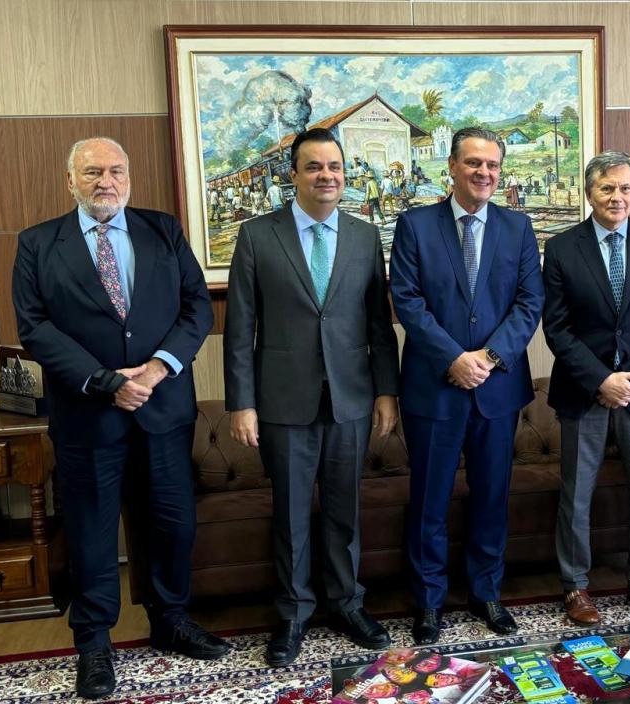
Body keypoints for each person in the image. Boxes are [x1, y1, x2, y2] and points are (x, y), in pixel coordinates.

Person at [11, 137, 224, 699]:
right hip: (87, 416)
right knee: (92, 531)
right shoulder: (37, 244)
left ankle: (170, 621)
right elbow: (34, 328)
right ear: (70, 181)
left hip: (163, 409)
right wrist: (107, 382)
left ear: (129, 177)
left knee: (172, 525)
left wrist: (155, 370)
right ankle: (94, 644)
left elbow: (197, 306)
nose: (105, 181)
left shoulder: (164, 230)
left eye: (115, 170)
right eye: (92, 172)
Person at [224, 127, 400, 663]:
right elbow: (240, 328)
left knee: (345, 511)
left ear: (345, 174)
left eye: (335, 167)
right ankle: (293, 614)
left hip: (351, 397)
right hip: (282, 401)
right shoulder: (257, 235)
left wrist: (386, 393)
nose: (327, 176)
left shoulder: (367, 236)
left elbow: (378, 324)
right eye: (315, 167)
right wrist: (242, 402)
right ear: (294, 175)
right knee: (293, 513)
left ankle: (348, 604)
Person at [389, 127, 544, 645]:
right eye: (474, 163)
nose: (484, 173)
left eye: (493, 165)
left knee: (492, 497)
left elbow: (529, 303)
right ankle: (429, 601)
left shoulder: (518, 227)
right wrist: (454, 357)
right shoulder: (414, 225)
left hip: (497, 389)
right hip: (434, 387)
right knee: (429, 499)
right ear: (451, 167)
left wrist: (490, 357)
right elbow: (407, 301)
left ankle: (486, 592)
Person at [541, 151, 630, 626]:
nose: (616, 197)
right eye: (606, 189)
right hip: (584, 392)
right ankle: (575, 588)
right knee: (576, 493)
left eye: (624, 188)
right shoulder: (561, 249)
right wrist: (601, 379)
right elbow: (557, 329)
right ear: (589, 193)